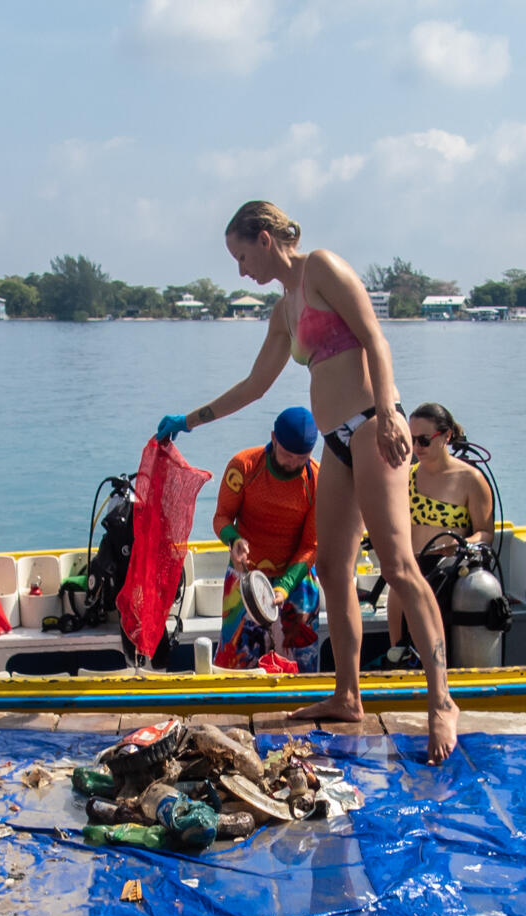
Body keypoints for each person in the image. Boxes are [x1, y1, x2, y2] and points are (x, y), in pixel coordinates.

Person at [155, 200, 458, 762]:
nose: (241, 270)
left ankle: (442, 702)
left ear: (266, 238)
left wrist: (392, 413)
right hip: (335, 440)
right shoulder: (283, 311)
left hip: (373, 425)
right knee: (332, 568)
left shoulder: (320, 268)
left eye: (242, 256)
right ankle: (347, 695)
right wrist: (189, 421)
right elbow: (254, 386)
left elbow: (375, 338)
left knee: (396, 564)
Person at [384, 401, 494, 667]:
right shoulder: (405, 476)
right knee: (401, 643)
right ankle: (401, 664)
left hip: (449, 572)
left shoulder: (471, 479)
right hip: (410, 568)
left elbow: (485, 533)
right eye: (411, 441)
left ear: (446, 436)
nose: (417, 448)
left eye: (423, 440)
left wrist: (460, 546)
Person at [212, 406, 322, 671]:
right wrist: (234, 540)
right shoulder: (244, 466)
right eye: (287, 455)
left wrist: (284, 586)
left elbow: (311, 545)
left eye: (302, 457)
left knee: (301, 666)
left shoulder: (317, 480)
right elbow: (221, 518)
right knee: (235, 662)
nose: (294, 464)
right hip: (246, 574)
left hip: (295, 577)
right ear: (273, 438)